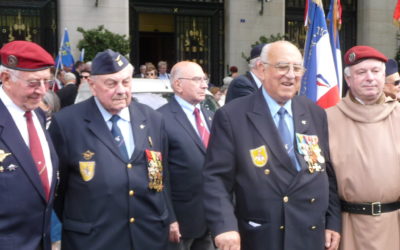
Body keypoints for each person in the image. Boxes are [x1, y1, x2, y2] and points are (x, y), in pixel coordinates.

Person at [203, 41, 341, 250]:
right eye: (283, 67)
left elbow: (325, 172)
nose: (291, 75)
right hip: (263, 235)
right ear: (261, 69)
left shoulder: (314, 112)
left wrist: (332, 221)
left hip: (309, 234)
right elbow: (216, 179)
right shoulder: (232, 116)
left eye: (297, 68)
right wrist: (224, 227)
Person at [49, 49, 176, 250]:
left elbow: (160, 176)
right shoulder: (66, 123)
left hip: (148, 238)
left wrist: (169, 218)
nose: (121, 90)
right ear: (92, 85)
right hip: (93, 240)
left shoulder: (152, 119)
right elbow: (58, 189)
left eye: (126, 82)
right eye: (111, 83)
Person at [326, 45, 400, 250]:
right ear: (348, 80)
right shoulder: (327, 119)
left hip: (394, 226)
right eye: (361, 72)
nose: (370, 78)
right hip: (347, 227)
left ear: (384, 77)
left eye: (376, 72)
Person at [0, 40, 59, 250]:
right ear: (5, 78)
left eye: (47, 82)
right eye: (34, 83)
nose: (42, 91)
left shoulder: (38, 116)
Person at [158, 61, 215, 250]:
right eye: (197, 80)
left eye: (204, 79)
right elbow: (158, 174)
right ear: (178, 85)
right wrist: (169, 217)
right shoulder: (160, 119)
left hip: (211, 218)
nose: (205, 85)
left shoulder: (211, 115)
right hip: (181, 222)